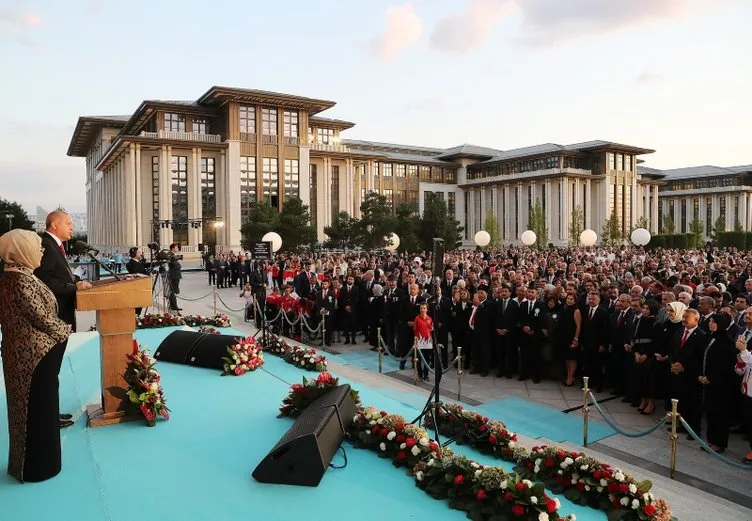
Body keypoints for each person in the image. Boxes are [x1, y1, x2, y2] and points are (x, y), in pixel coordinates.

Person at [0, 229, 73, 482]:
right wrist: (66, 329)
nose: (42, 251)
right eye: (36, 246)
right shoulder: (19, 280)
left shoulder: (18, 275)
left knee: (40, 410)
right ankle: (37, 468)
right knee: (36, 412)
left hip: (32, 358)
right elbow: (41, 318)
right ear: (21, 251)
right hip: (32, 360)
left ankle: (40, 464)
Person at [34, 210, 91, 428]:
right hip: (55, 319)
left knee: (52, 371)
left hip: (61, 318)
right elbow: (45, 282)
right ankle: (48, 417)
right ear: (54, 225)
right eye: (68, 223)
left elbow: (57, 276)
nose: (72, 227)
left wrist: (72, 279)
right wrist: (73, 286)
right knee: (49, 372)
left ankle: (51, 413)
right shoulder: (48, 246)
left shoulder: (55, 246)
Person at [700, 313, 738, 452]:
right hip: (708, 383)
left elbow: (726, 366)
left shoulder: (727, 342)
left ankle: (719, 442)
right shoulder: (711, 337)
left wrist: (710, 377)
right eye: (710, 321)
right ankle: (711, 440)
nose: (711, 324)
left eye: (714, 322)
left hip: (721, 385)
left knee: (720, 414)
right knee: (710, 412)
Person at [414, 302, 434, 381]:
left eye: (424, 308)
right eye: (421, 308)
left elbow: (431, 330)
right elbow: (415, 330)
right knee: (419, 358)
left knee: (427, 359)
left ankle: (426, 374)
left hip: (428, 342)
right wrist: (415, 340)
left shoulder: (430, 319)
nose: (422, 310)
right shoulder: (417, 318)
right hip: (419, 341)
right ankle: (420, 374)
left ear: (427, 309)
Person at [126, 247, 146, 316]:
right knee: (137, 306)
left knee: (139, 306)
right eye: (139, 252)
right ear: (134, 254)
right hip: (138, 287)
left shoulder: (137, 262)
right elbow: (138, 274)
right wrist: (148, 276)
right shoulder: (132, 264)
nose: (141, 253)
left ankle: (136, 316)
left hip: (140, 287)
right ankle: (135, 318)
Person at [167, 243, 182, 312]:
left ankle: (173, 305)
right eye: (176, 247)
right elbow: (173, 264)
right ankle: (173, 306)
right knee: (173, 291)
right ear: (173, 248)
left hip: (176, 275)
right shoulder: (171, 255)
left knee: (174, 291)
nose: (177, 249)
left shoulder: (174, 255)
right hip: (173, 276)